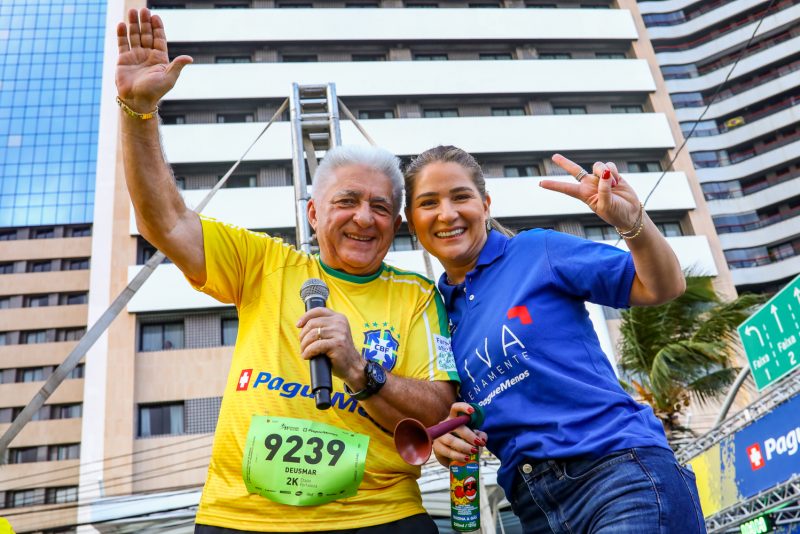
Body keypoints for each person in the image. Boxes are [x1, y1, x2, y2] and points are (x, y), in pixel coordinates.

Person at [116, 9, 458, 533]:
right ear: (313, 213)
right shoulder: (263, 262)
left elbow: (437, 412)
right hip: (242, 518)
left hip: (381, 517)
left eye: (381, 206)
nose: (364, 217)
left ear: (397, 224)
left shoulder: (416, 294)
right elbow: (164, 222)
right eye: (347, 201)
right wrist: (138, 112)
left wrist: (358, 368)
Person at [403, 146, 706, 533]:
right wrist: (450, 440)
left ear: (485, 204)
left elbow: (663, 285)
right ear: (411, 221)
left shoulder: (535, 250)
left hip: (616, 477)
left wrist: (633, 223)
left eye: (460, 196)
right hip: (533, 510)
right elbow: (460, 410)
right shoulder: (434, 316)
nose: (447, 214)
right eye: (429, 203)